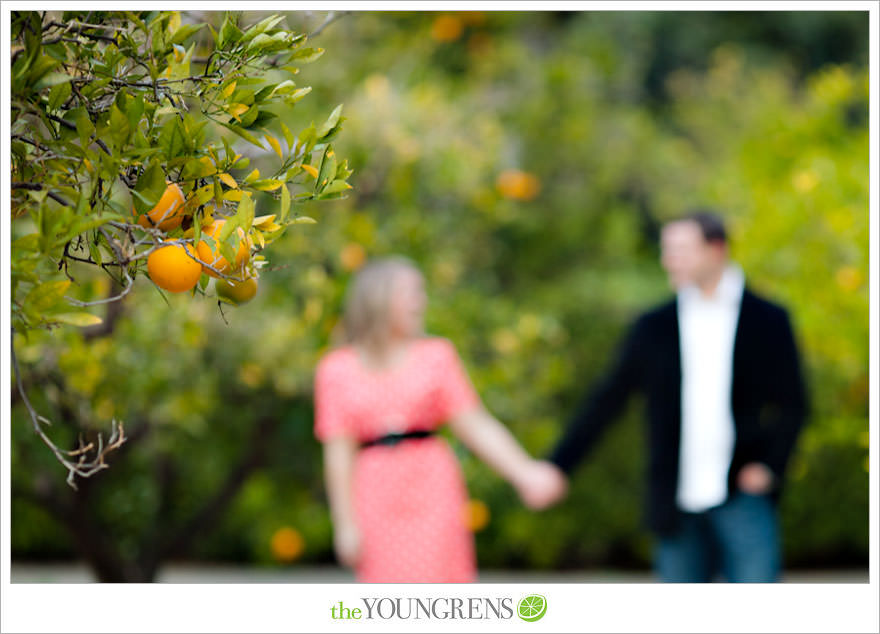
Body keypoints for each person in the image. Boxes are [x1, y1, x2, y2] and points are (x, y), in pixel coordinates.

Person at [534, 209, 808, 582]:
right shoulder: (654, 326)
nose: (668, 260)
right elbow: (607, 400)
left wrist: (771, 466)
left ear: (716, 249)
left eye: (680, 250)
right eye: (667, 250)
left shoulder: (768, 319)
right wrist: (559, 465)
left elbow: (794, 404)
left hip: (743, 494)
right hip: (675, 497)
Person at [313, 256, 562, 582]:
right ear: (379, 299)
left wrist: (524, 472)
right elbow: (338, 453)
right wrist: (345, 523)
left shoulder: (437, 356)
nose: (421, 302)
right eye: (411, 293)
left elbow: (475, 424)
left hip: (432, 487)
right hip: (374, 492)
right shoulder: (336, 369)